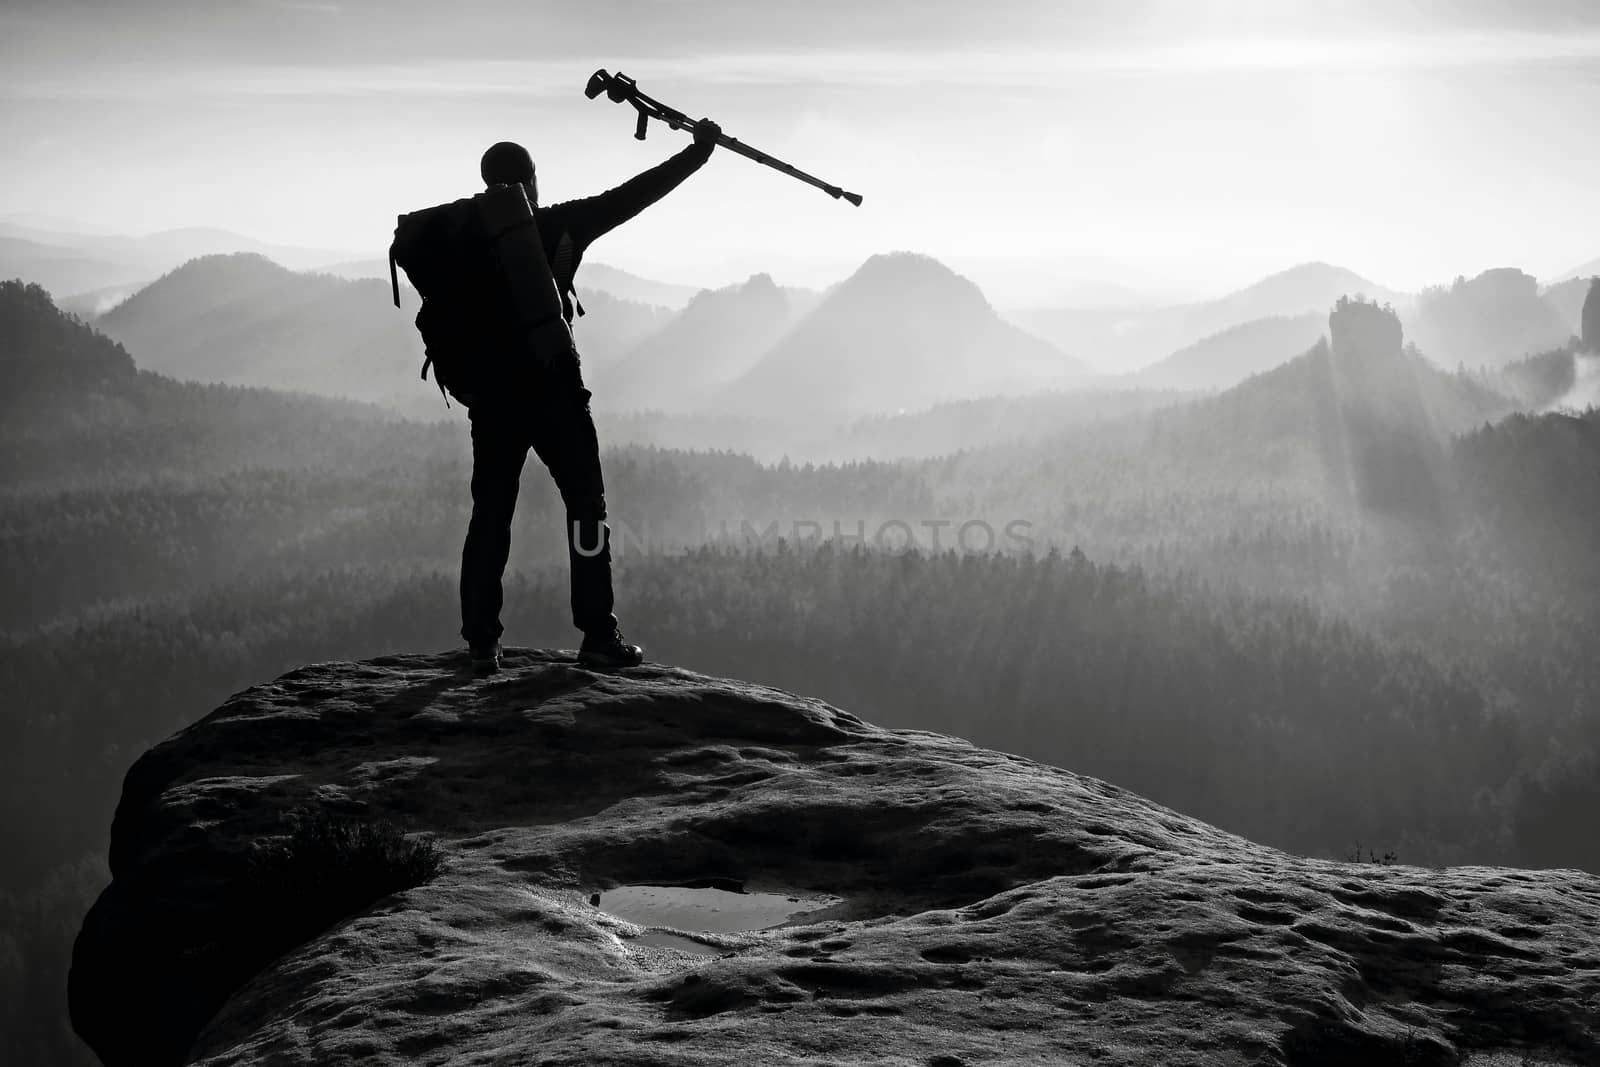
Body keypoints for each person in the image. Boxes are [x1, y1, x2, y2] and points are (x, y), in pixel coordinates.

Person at [462, 119, 719, 674]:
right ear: (532, 182)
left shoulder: (461, 237)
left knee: (490, 515)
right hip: (556, 394)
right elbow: (631, 197)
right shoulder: (561, 226)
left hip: (493, 401)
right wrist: (696, 154)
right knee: (586, 513)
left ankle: (481, 642)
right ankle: (598, 636)